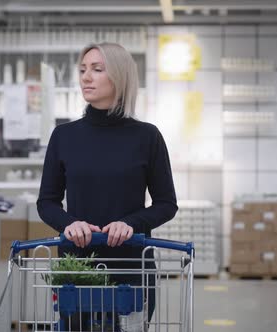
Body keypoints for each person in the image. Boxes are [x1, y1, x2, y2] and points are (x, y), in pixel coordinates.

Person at [36, 42, 178, 330]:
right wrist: (68, 224)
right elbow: (47, 202)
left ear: (120, 76)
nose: (86, 77)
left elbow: (166, 204)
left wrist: (130, 223)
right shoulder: (64, 136)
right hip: (77, 270)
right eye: (83, 70)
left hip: (131, 268)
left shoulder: (147, 137)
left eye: (97, 70)